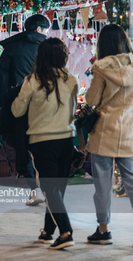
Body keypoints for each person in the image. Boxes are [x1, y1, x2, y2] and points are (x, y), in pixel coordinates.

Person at [11, 38, 78, 250]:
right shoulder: (72, 80)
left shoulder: (33, 80)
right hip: (67, 140)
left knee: (50, 188)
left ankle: (65, 232)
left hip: (42, 141)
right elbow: (73, 112)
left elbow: (16, 111)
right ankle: (48, 231)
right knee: (57, 188)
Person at [0, 13, 50, 205]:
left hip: (20, 104)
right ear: (39, 29)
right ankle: (49, 190)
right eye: (46, 29)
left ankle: (34, 190)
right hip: (45, 105)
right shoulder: (48, 48)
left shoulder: (12, 47)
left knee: (23, 147)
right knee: (44, 145)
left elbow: (2, 79)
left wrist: (0, 104)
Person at [84, 24, 133, 245]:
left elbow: (92, 100)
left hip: (104, 132)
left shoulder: (101, 68)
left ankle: (103, 230)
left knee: (102, 185)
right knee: (132, 182)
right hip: (130, 132)